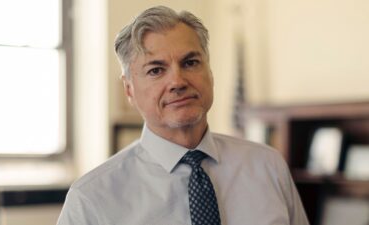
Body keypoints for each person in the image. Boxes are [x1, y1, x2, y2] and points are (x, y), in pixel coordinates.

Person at [57, 6, 310, 225]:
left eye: (190, 63)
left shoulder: (268, 166)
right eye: (156, 70)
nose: (177, 81)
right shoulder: (91, 199)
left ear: (210, 73)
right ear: (129, 89)